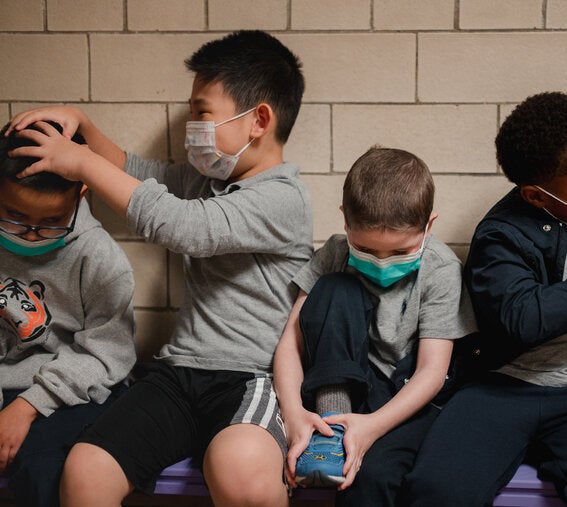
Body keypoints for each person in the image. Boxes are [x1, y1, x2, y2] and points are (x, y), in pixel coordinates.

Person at [7, 30, 312, 507]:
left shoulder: (282, 199)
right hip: (176, 373)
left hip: (248, 377)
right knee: (86, 469)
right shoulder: (204, 180)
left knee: (243, 476)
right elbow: (133, 171)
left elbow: (185, 228)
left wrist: (82, 164)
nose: (192, 124)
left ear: (259, 120)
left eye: (201, 113)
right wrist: (81, 125)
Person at [403, 92, 567, 507]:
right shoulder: (501, 235)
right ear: (537, 196)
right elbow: (522, 318)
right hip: (501, 386)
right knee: (437, 490)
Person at [273, 147, 476, 506]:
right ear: (345, 222)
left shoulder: (441, 268)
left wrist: (372, 428)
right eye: (366, 249)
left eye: (399, 253)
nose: (382, 263)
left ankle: (347, 434)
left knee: (373, 476)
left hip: (408, 393)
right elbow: (291, 341)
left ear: (428, 226)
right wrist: (293, 416)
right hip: (346, 382)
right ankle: (330, 424)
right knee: (336, 288)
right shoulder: (336, 252)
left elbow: (433, 371)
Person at [0, 121, 135, 507]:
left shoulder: (100, 258)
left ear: (81, 193)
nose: (30, 235)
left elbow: (108, 354)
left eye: (51, 222)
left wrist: (27, 406)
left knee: (44, 468)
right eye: (14, 215)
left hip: (72, 390)